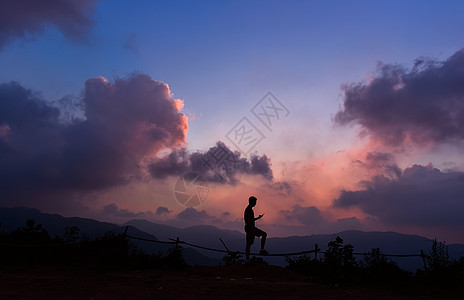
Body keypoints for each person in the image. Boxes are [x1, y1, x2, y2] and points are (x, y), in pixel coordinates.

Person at [244, 195, 267, 262]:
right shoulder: (249, 210)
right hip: (250, 228)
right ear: (252, 202)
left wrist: (257, 218)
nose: (255, 203)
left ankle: (247, 259)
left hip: (249, 228)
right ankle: (261, 250)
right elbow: (249, 220)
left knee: (249, 244)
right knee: (249, 243)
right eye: (255, 202)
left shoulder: (249, 209)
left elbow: (250, 219)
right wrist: (257, 218)